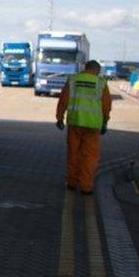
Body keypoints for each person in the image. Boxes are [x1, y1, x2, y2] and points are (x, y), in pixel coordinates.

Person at [56, 60, 112, 195]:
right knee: (90, 157)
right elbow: (106, 106)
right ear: (96, 70)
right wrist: (105, 122)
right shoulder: (101, 83)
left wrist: (59, 117)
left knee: (73, 153)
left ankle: (72, 183)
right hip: (93, 126)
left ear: (85, 68)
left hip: (75, 122)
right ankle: (86, 187)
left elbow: (63, 99)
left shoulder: (73, 80)